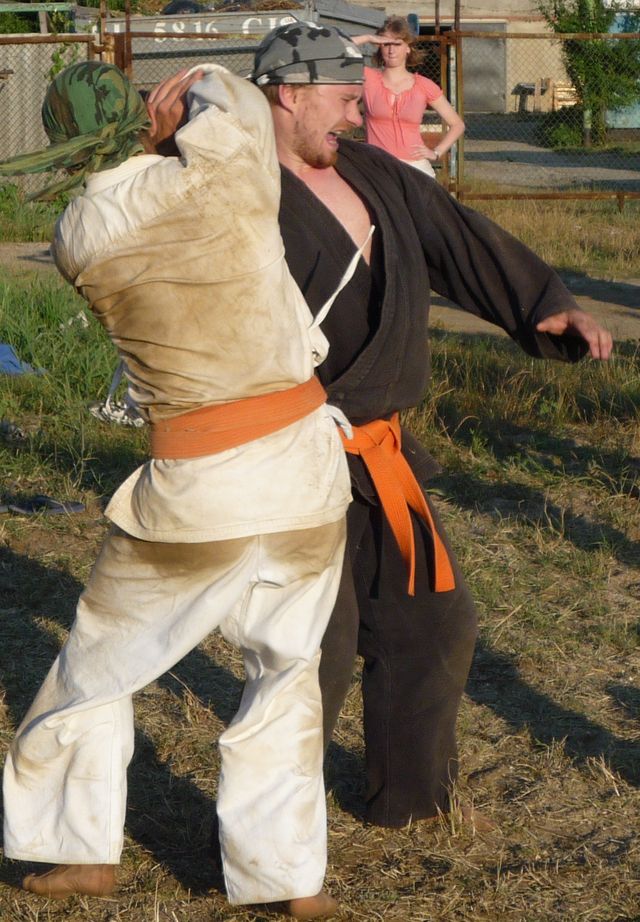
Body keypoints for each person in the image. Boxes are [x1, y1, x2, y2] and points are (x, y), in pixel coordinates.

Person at [0, 60, 355, 919]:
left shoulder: (80, 232)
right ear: (147, 118)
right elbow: (234, 93)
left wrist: (155, 146)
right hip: (306, 465)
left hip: (200, 485)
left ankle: (73, 850)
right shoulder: (228, 166)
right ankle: (287, 881)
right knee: (286, 673)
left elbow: (146, 190)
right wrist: (183, 109)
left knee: (94, 671)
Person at [245, 22, 613, 830]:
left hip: (379, 453)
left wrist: (543, 304)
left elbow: (458, 238)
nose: (359, 111)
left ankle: (410, 806)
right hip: (287, 457)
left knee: (432, 623)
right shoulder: (230, 189)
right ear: (289, 94)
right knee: (315, 650)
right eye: (344, 97)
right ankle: (265, 835)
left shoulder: (373, 171)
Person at [352, 16, 465, 177]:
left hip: (415, 168)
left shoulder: (424, 85)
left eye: (397, 44)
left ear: (408, 48)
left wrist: (436, 152)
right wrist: (368, 38)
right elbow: (335, 50)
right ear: (379, 47)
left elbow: (457, 125)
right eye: (386, 44)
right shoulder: (368, 78)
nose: (391, 50)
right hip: (376, 167)